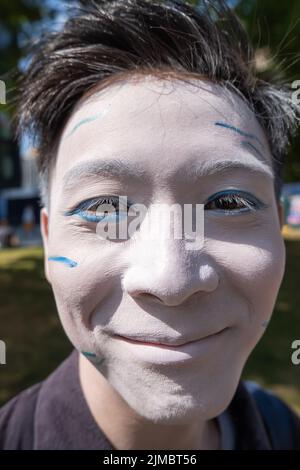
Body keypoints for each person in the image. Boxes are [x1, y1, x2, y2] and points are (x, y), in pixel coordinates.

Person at [1, 0, 300, 450]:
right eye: (104, 208)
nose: (172, 280)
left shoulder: (283, 428)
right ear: (46, 240)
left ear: (277, 226)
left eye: (228, 202)